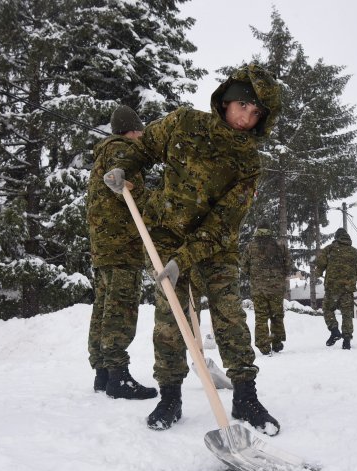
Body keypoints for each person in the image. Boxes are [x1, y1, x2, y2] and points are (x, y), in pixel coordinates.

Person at [103, 63, 282, 436]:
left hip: (216, 246)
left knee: (229, 315)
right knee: (170, 320)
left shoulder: (248, 161)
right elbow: (143, 148)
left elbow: (224, 222)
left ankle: (246, 396)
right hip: (167, 232)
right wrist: (122, 169)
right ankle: (170, 396)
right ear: (227, 100)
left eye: (255, 114)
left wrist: (183, 260)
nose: (246, 118)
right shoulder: (184, 123)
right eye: (242, 107)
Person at [86, 105, 157, 400]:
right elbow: (127, 189)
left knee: (104, 306)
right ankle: (118, 376)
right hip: (121, 246)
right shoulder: (122, 150)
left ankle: (103, 373)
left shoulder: (102, 154)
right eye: (141, 132)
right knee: (121, 307)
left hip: (104, 247)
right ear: (134, 131)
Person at [313, 228, 357, 350]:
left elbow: (320, 264)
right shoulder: (353, 252)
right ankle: (347, 340)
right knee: (347, 314)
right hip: (347, 289)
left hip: (332, 288)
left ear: (336, 237)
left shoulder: (330, 249)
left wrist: (317, 274)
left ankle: (334, 330)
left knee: (327, 309)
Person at [241, 220, 290, 354]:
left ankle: (263, 345)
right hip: (276, 288)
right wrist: (279, 277)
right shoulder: (280, 245)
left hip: (258, 288)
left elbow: (244, 267)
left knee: (261, 317)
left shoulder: (250, 246)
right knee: (277, 315)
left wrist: (256, 276)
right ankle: (277, 341)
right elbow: (288, 266)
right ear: (270, 230)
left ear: (257, 230)